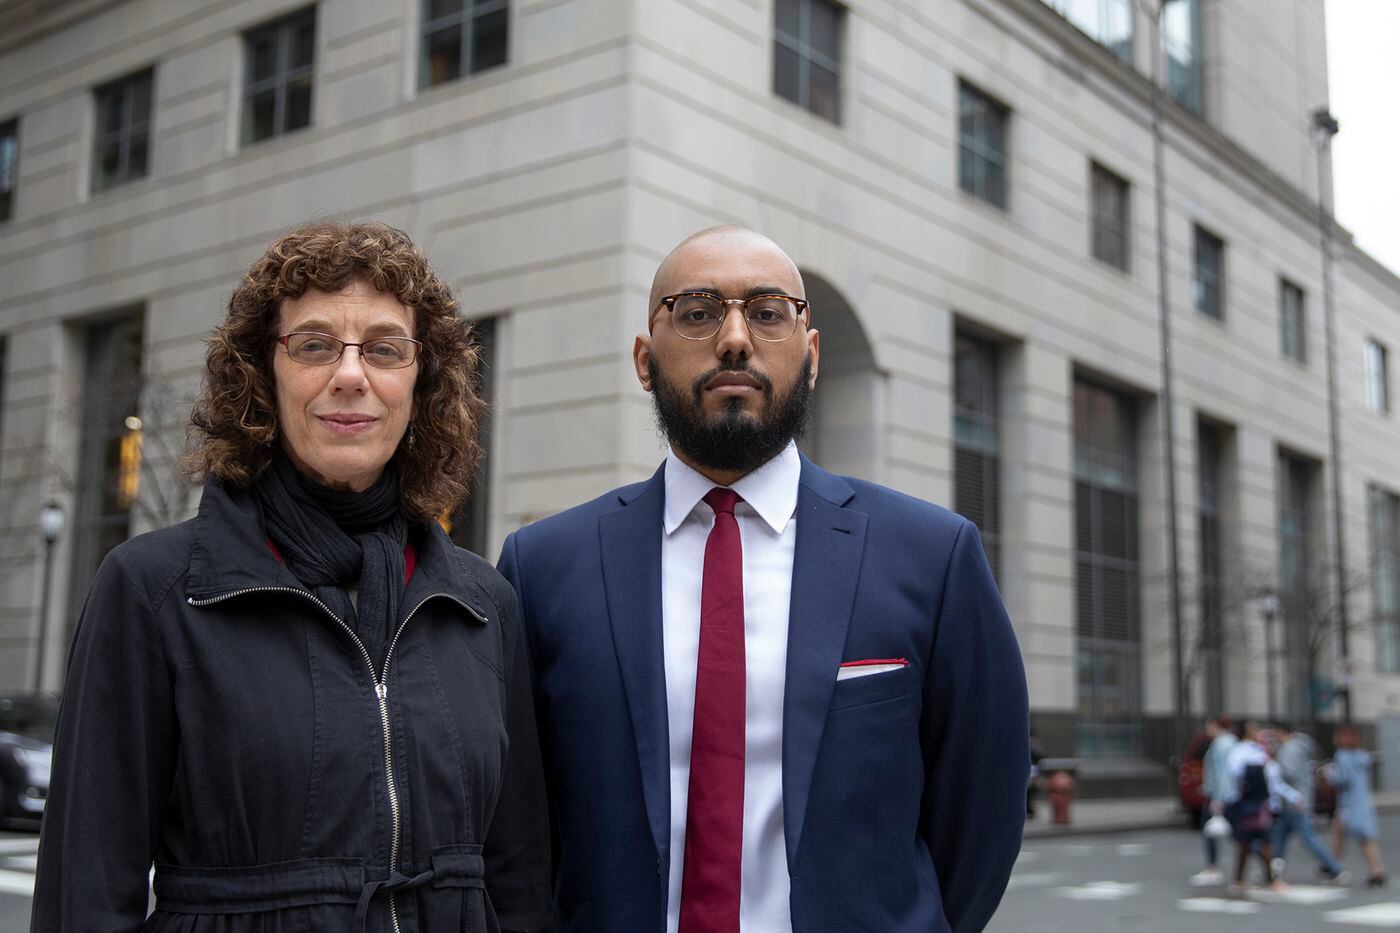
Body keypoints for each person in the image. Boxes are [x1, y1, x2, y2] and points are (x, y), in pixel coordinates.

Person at [498, 226, 1030, 932]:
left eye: (769, 311)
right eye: (696, 311)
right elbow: (517, 835)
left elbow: (982, 813)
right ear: (644, 360)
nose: (735, 339)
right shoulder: (542, 567)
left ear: (811, 357)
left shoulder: (933, 556)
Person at [32, 222, 551, 931]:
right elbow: (84, 894)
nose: (349, 374)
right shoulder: (153, 590)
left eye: (384, 349)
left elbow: (519, 881)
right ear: (261, 376)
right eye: (313, 345)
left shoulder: (482, 603)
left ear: (420, 381)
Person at [1221, 721, 1298, 894]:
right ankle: (1260, 879)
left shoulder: (1259, 752)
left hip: (1261, 804)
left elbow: (1274, 782)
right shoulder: (1241, 752)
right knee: (1251, 843)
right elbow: (1236, 775)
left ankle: (1255, 879)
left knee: (1256, 843)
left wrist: (1293, 796)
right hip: (1246, 804)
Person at [1271, 721, 1348, 884]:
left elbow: (1288, 773)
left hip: (1293, 801)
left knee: (1307, 838)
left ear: (1280, 731)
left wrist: (1273, 766)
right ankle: (1273, 870)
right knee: (1279, 837)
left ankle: (1334, 868)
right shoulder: (1302, 745)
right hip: (1302, 797)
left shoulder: (1287, 749)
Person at [1328, 724, 1388, 886]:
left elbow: (1342, 779)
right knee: (1363, 837)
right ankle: (1376, 869)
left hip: (1348, 803)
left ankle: (1334, 867)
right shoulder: (1362, 755)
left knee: (1342, 835)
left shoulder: (1342, 756)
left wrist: (1330, 774)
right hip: (1362, 801)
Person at [1189, 714, 1237, 886]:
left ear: (1216, 725)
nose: (1207, 729)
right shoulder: (1231, 742)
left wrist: (1218, 798)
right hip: (1224, 794)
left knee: (1210, 830)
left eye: (1209, 725)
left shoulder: (1220, 744)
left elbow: (1222, 773)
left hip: (1219, 796)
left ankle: (1213, 868)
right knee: (1238, 832)